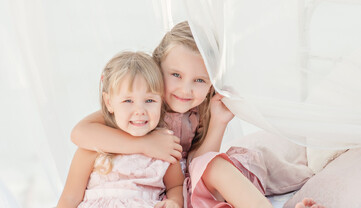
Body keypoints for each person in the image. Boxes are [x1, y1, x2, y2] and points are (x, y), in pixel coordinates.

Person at [71, 21, 324, 208]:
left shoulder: (198, 112)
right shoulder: (140, 109)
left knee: (214, 165)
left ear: (211, 83)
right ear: (157, 68)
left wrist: (218, 122)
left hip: (188, 184)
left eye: (199, 80)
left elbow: (198, 164)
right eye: (176, 75)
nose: (186, 89)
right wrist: (146, 143)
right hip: (168, 189)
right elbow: (80, 133)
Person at [57, 51, 184, 208]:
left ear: (161, 102)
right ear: (109, 102)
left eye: (150, 100)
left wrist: (174, 203)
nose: (140, 111)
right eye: (128, 100)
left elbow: (176, 187)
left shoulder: (165, 146)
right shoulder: (93, 147)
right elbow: (70, 198)